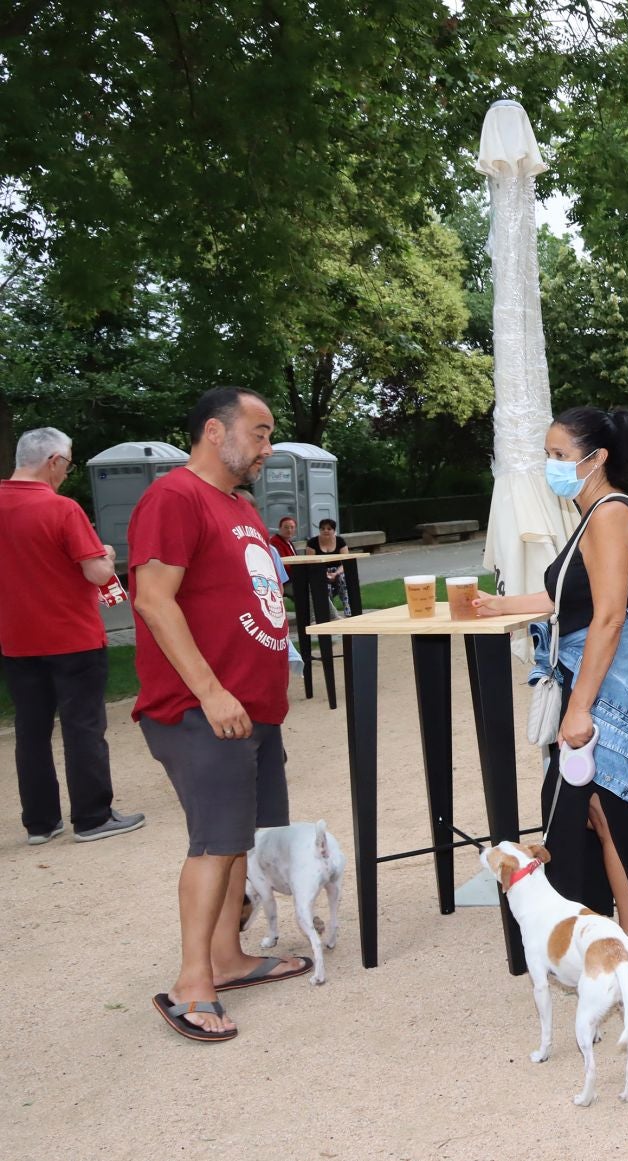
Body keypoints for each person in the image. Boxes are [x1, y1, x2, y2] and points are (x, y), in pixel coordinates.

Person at [474, 406, 628, 972]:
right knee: (601, 813)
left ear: (596, 459)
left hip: (615, 690)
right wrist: (501, 604)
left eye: (559, 456)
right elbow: (566, 600)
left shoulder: (607, 514)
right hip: (605, 682)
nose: (551, 466)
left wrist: (578, 710)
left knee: (608, 812)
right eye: (548, 455)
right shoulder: (590, 514)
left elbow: (607, 617)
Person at [131, 388, 314, 1041]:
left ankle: (231, 958)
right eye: (259, 434)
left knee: (238, 835)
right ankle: (191, 983)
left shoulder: (236, 505)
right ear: (215, 431)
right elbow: (153, 599)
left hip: (250, 708)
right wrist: (210, 690)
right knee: (213, 840)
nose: (267, 447)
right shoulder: (173, 498)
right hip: (199, 709)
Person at [0, 428, 145, 846]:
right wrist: (107, 555)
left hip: (17, 638)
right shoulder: (61, 509)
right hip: (71, 635)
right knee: (82, 727)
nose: (66, 472)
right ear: (53, 462)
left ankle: (40, 822)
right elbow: (97, 573)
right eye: (67, 463)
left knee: (31, 731)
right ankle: (93, 815)